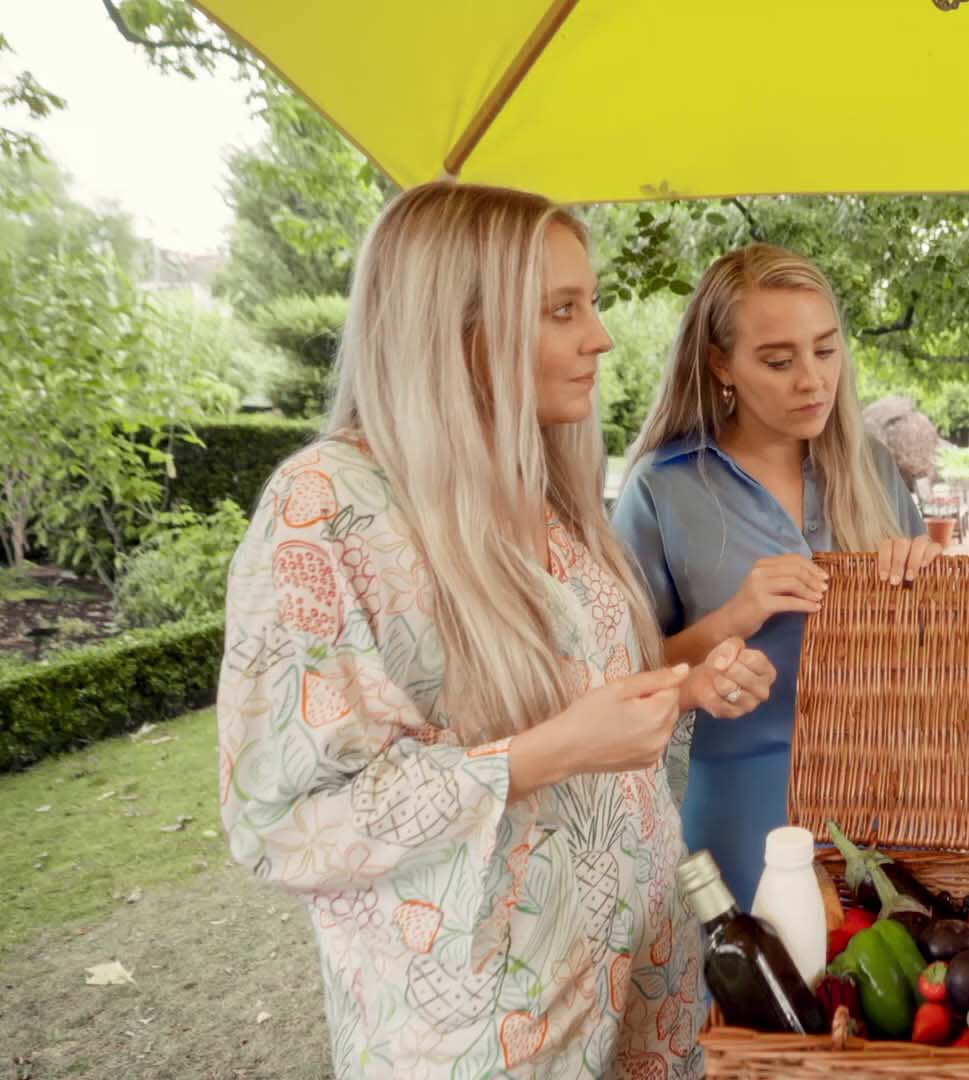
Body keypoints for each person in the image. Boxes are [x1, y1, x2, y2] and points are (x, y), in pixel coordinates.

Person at [218, 182, 774, 1078]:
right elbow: (283, 820)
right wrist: (539, 754)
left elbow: (581, 691)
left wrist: (683, 685)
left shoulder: (544, 493)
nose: (599, 336)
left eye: (590, 303)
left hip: (637, 991)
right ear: (453, 327)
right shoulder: (329, 507)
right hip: (483, 1031)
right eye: (562, 309)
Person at [612, 243, 939, 906]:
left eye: (825, 350)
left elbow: (934, 656)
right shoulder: (662, 489)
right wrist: (735, 618)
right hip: (737, 810)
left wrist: (931, 588)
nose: (812, 381)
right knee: (746, 1005)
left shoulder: (871, 467)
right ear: (720, 363)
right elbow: (622, 680)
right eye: (779, 360)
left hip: (886, 799)